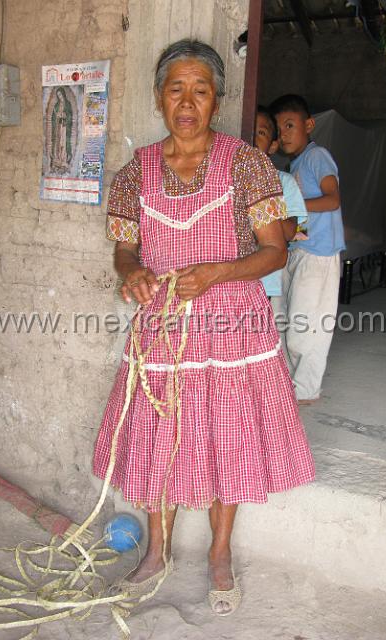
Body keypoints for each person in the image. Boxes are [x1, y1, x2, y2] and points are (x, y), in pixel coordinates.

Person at [93, 41, 315, 616]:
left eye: (201, 90)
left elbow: (274, 252)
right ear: (159, 96)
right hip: (163, 328)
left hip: (232, 328)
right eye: (176, 89)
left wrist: (219, 271)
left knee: (227, 440)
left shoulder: (247, 163)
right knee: (159, 439)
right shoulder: (134, 172)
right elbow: (124, 250)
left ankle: (219, 554)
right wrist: (133, 273)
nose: (187, 102)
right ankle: (158, 549)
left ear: (217, 101)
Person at [268, 94, 345, 404]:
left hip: (320, 253)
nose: (283, 133)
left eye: (290, 125)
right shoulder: (294, 165)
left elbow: (333, 199)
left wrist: (290, 205)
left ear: (309, 124)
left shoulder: (317, 156)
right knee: (289, 320)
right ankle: (293, 386)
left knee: (308, 327)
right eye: (278, 127)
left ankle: (306, 389)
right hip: (300, 249)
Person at [254, 105, 308, 303]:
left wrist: (259, 205)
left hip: (263, 280)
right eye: (248, 129)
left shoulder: (284, 182)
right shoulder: (223, 178)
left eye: (261, 132)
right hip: (226, 278)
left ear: (273, 145)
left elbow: (292, 231)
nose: (252, 137)